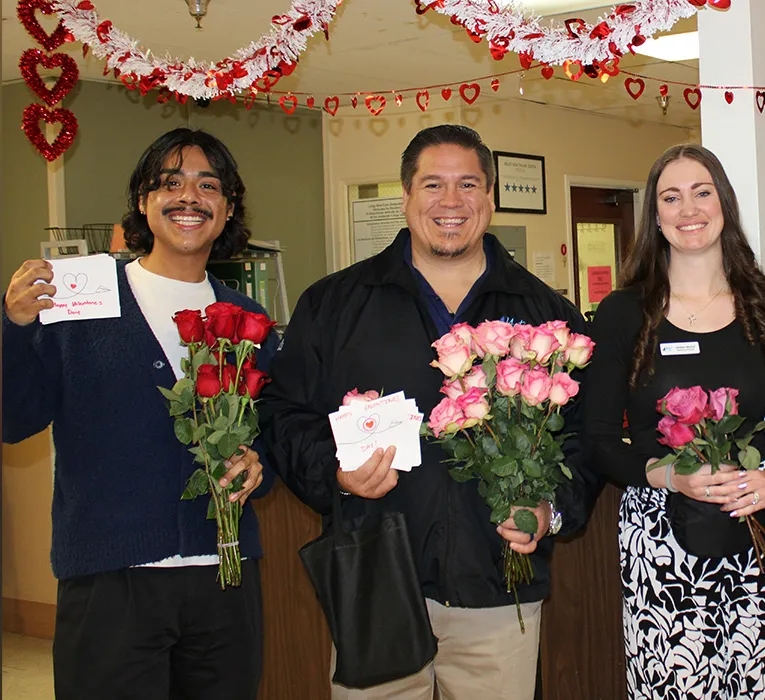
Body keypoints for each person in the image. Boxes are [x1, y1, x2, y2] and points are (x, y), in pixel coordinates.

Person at [257, 123, 596, 700]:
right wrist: (333, 474)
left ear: (489, 197)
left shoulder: (546, 315)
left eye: (468, 185)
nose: (451, 202)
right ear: (406, 196)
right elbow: (284, 414)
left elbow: (584, 437)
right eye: (432, 185)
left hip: (497, 588)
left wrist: (550, 508)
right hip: (375, 580)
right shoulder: (335, 305)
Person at [3, 128, 274, 699]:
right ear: (144, 203)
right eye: (169, 183)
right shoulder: (83, 302)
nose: (189, 198)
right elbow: (13, 419)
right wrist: (15, 328)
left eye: (208, 185)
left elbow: (270, 427)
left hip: (224, 577)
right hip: (111, 576)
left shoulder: (247, 317)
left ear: (228, 208)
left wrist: (259, 462)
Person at [581, 143, 765, 699]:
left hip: (755, 532)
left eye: (702, 193)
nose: (689, 209)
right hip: (660, 541)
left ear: (724, 204)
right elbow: (599, 439)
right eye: (671, 197)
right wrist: (669, 475)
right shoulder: (622, 314)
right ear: (654, 216)